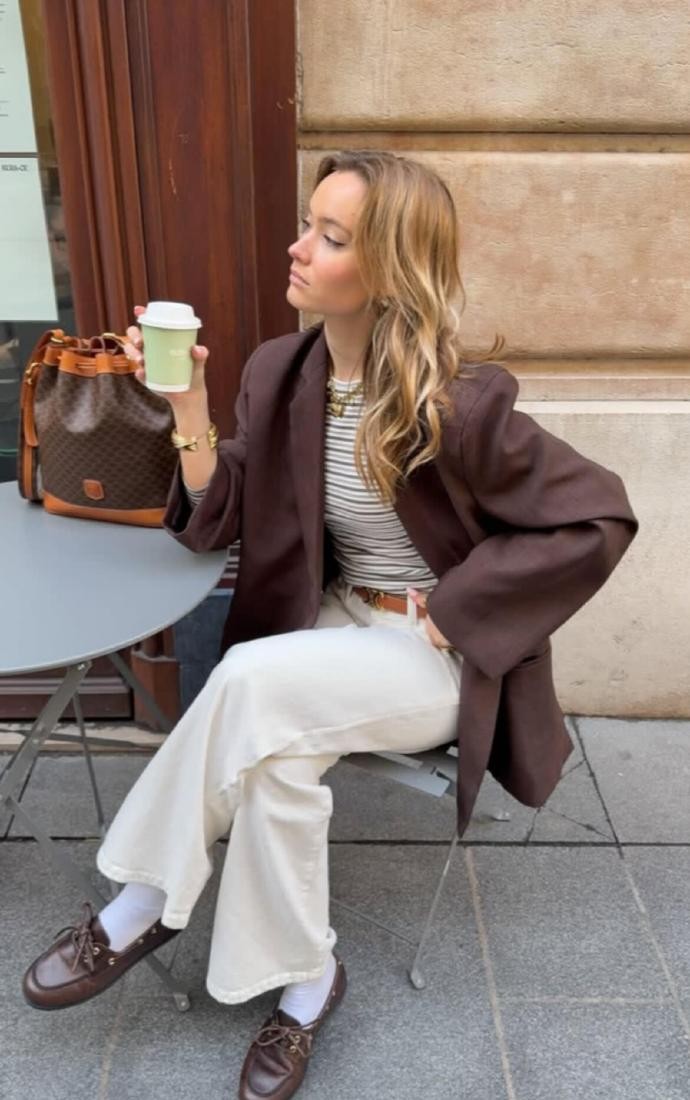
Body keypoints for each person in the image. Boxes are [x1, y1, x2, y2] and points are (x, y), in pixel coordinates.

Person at [21, 150, 638, 1099]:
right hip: (336, 627)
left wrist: (458, 615)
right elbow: (216, 517)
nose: (299, 247)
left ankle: (141, 903)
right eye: (309, 224)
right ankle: (308, 982)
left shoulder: (462, 402)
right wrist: (186, 406)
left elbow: (599, 516)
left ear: (390, 268)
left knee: (248, 678)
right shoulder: (281, 370)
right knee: (276, 769)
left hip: (431, 655)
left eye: (332, 236)